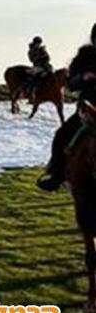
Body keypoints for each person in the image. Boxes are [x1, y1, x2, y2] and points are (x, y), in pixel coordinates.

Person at [37, 28, 96, 192]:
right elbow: (71, 83)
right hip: (90, 108)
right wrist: (83, 78)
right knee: (62, 134)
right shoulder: (84, 57)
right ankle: (55, 173)